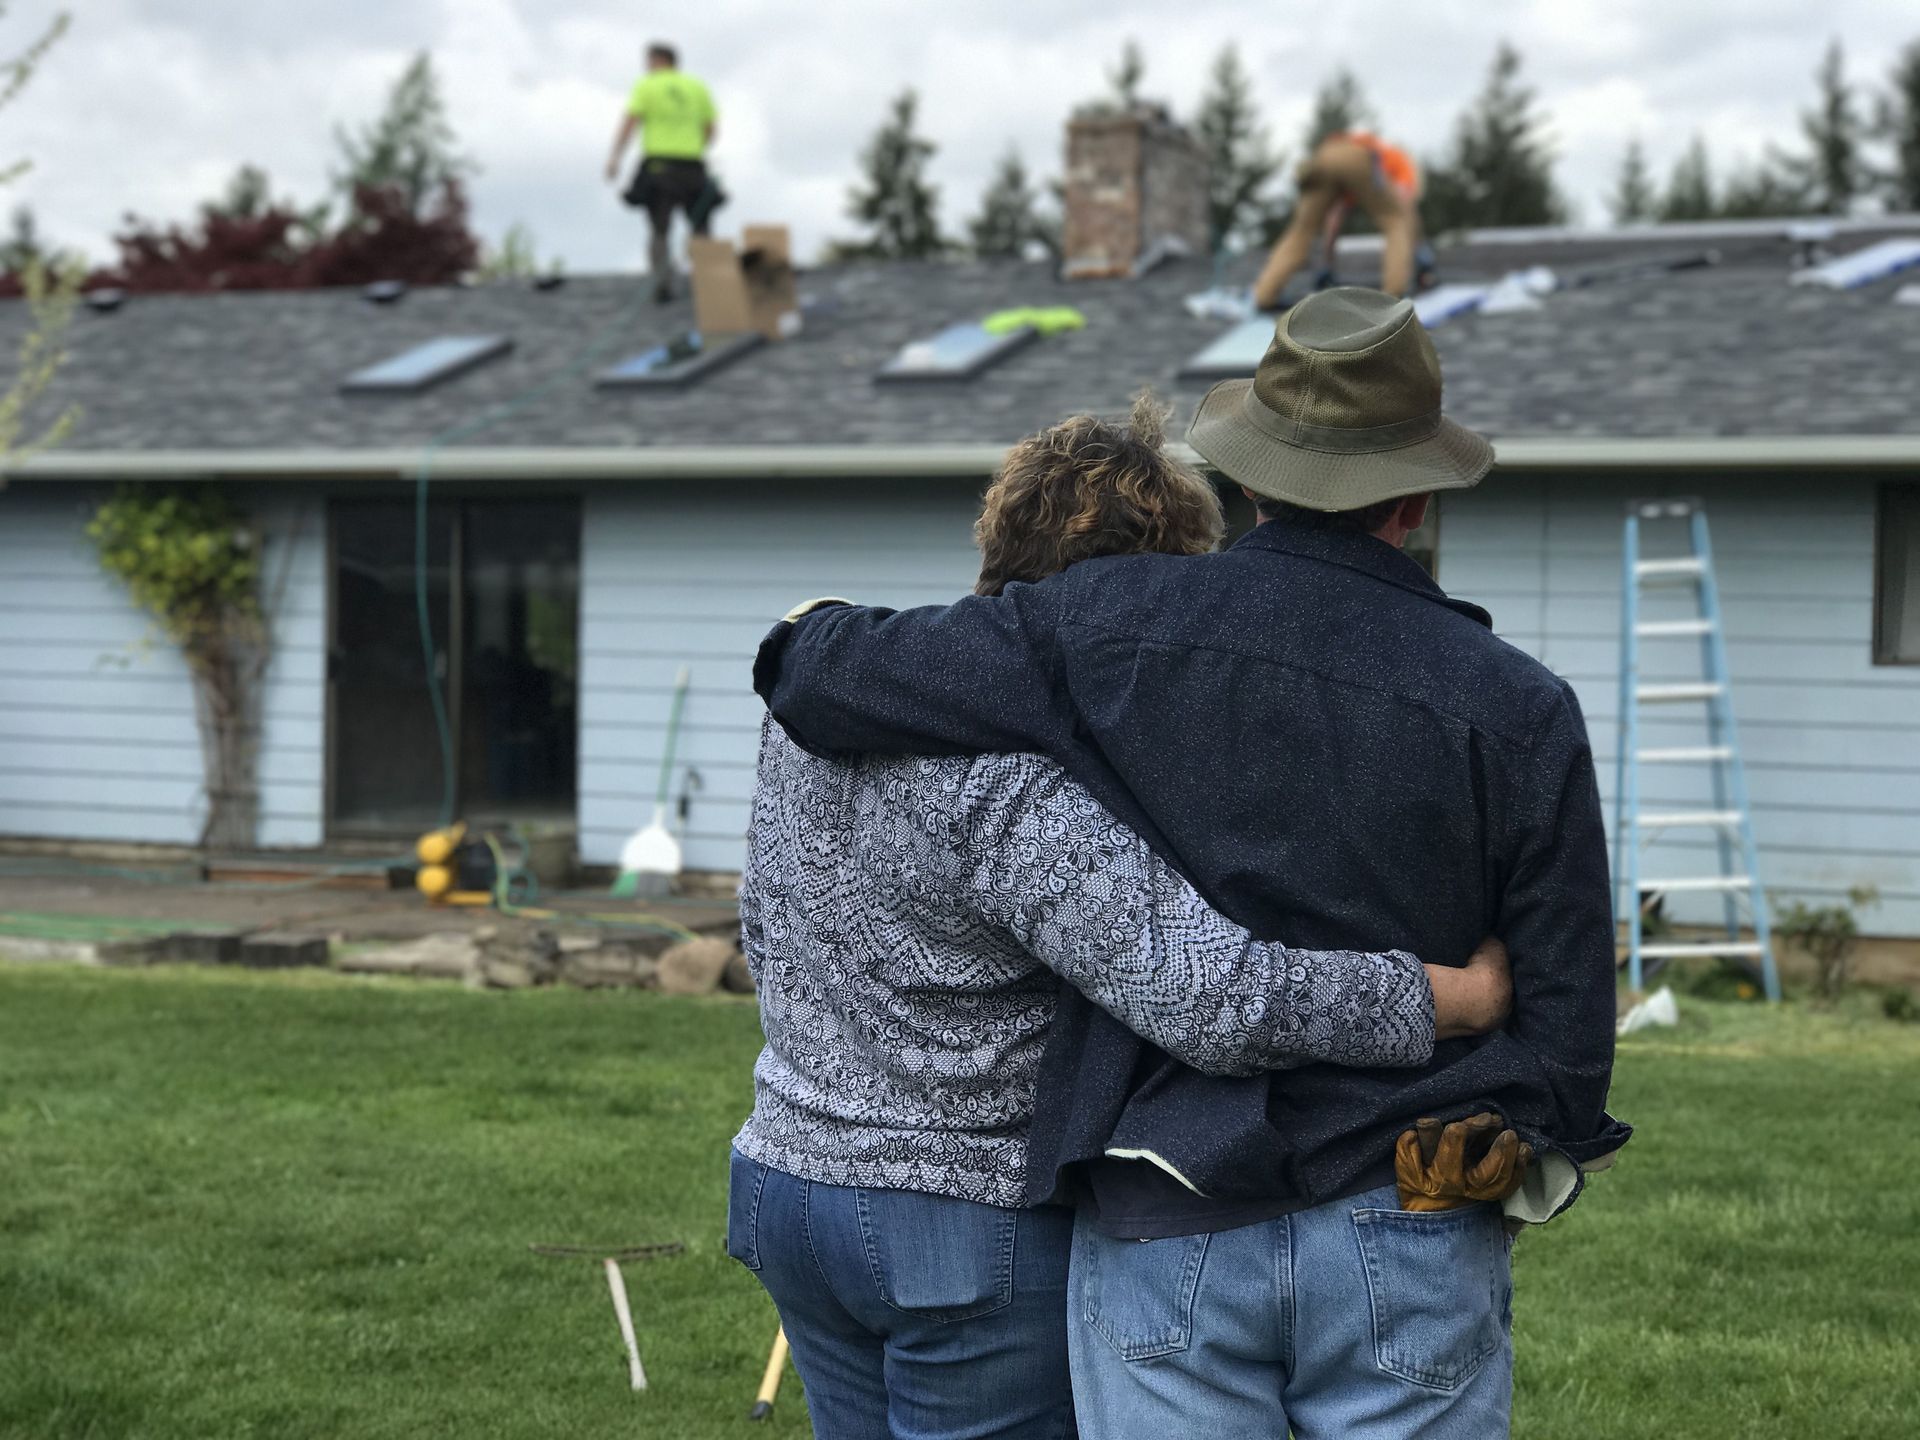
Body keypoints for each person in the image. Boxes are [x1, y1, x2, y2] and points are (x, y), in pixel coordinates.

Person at [754, 288, 1632, 1438]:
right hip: (1417, 1197)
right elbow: (1569, 1041)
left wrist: (804, 625)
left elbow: (821, 677)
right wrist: (1517, 1133)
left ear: (1250, 476)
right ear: (1419, 496)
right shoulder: (1522, 707)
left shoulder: (1103, 626)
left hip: (1167, 1209)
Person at [1253, 131, 1427, 308]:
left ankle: (1264, 295)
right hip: (1357, 157)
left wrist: (1327, 262)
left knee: (1302, 230)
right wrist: (1418, 255)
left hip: (1324, 156)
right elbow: (1406, 205)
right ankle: (1395, 293)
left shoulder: (1351, 176)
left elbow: (1334, 217)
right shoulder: (1398, 160)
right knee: (1395, 222)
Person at [604, 42, 718, 302]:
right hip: (693, 166)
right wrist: (695, 147)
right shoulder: (697, 87)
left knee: (659, 230)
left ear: (657, 60)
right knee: (700, 227)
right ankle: (710, 288)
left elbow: (630, 123)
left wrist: (615, 158)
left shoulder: (647, 85)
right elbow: (710, 129)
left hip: (659, 167)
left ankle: (662, 285)